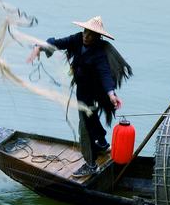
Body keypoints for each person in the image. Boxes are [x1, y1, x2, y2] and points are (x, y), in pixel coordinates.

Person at [27, 16, 131, 177]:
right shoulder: (76, 39)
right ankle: (102, 144)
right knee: (90, 115)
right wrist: (38, 47)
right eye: (85, 32)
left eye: (91, 35)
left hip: (96, 88)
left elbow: (104, 73)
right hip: (82, 88)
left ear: (98, 37)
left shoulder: (99, 51)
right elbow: (57, 42)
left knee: (85, 126)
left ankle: (90, 164)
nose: (86, 36)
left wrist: (111, 94)